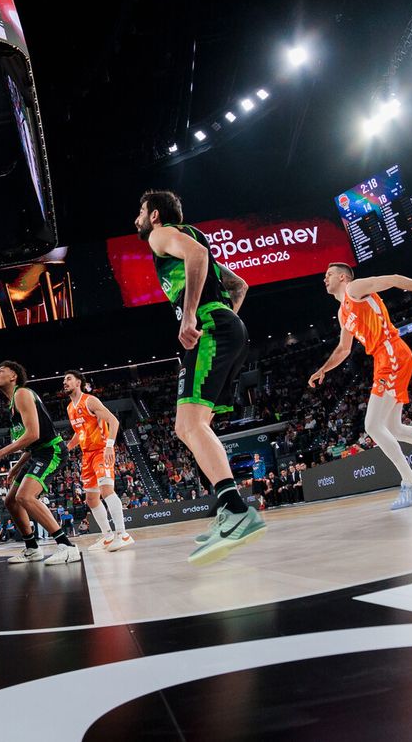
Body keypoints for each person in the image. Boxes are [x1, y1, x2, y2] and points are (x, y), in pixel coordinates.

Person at [134, 190, 265, 564]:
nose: (137, 221)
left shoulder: (162, 235)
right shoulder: (191, 234)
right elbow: (240, 285)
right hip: (226, 326)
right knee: (198, 425)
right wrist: (228, 316)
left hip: (209, 327)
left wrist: (192, 314)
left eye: (140, 213)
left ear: (155, 215)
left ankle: (236, 510)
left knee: (187, 426)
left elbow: (197, 255)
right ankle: (229, 510)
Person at [309, 263, 412, 510]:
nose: (324, 279)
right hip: (384, 358)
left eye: (328, 274)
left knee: (372, 425)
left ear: (342, 277)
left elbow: (393, 278)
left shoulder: (355, 288)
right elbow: (343, 349)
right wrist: (323, 370)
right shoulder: (343, 313)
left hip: (391, 351)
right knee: (393, 427)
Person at [0, 361, 80, 566]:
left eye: (1, 371)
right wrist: (15, 467)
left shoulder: (22, 394)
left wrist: (2, 452)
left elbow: (33, 434)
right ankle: (32, 548)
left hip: (51, 450)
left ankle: (67, 546)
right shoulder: (11, 404)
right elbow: (29, 442)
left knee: (25, 496)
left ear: (13, 376)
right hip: (36, 453)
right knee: (10, 500)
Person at [63, 370, 135, 552]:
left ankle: (122, 534)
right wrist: (66, 448)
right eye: (64, 380)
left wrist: (110, 446)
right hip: (86, 455)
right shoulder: (70, 408)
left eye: (68, 379)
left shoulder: (90, 401)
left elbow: (114, 421)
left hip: (101, 450)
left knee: (106, 490)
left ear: (78, 382)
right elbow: (79, 433)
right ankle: (108, 536)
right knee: (91, 498)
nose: (65, 382)